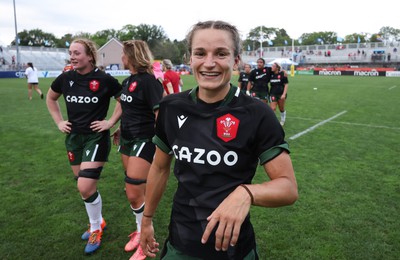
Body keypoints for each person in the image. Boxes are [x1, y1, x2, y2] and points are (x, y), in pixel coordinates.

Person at [140, 20, 298, 260]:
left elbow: (288, 188)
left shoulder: (258, 114)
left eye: (221, 53)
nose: (210, 63)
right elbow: (160, 168)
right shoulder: (171, 107)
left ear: (235, 61)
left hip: (235, 249)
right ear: (190, 58)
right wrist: (147, 219)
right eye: (200, 53)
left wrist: (246, 193)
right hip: (181, 243)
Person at [46, 38, 122, 255]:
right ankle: (97, 221)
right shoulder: (66, 78)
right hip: (73, 138)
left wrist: (110, 122)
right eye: (71, 52)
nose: (72, 56)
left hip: (95, 137)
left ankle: (96, 228)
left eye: (77, 53)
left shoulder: (104, 79)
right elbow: (51, 99)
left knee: (85, 186)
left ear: (90, 56)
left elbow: (123, 99)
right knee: (84, 187)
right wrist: (60, 121)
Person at [112, 40, 164, 260]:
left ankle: (146, 240)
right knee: (135, 193)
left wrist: (163, 144)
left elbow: (160, 113)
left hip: (145, 138)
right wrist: (117, 126)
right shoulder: (128, 81)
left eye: (123, 54)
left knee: (133, 191)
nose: (121, 57)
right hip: (127, 138)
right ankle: (140, 230)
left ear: (131, 56)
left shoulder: (149, 82)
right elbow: (125, 105)